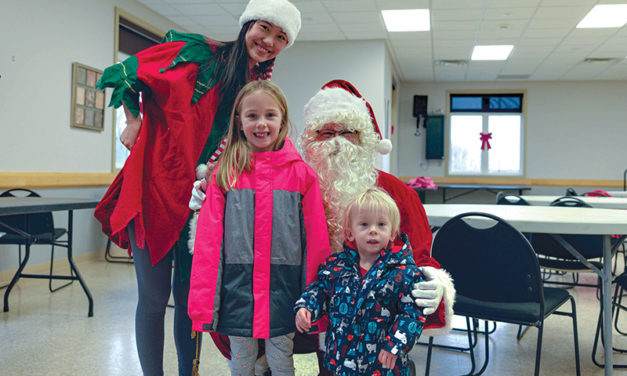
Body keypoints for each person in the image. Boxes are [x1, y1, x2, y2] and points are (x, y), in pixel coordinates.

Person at [93, 1, 302, 375]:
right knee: (154, 299)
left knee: (192, 303)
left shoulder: (258, 90)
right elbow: (124, 72)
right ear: (247, 24)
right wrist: (132, 119)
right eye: (265, 29)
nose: (269, 41)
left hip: (202, 207)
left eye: (280, 37)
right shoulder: (197, 52)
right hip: (152, 191)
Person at [187, 80, 330, 376]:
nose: (261, 123)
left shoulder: (301, 175)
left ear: (283, 120)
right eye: (252, 116)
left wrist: (315, 299)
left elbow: (315, 243)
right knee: (240, 362)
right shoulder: (226, 173)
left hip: (284, 291)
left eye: (270, 115)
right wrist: (203, 305)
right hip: (236, 292)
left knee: (281, 359)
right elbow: (208, 245)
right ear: (239, 121)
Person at [300, 80, 455, 337]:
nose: (338, 142)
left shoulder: (396, 193)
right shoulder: (297, 187)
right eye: (326, 133)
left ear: (364, 139)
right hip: (309, 311)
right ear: (311, 141)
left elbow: (418, 254)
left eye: (348, 132)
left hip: (376, 320)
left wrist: (432, 281)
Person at [295, 187, 426, 376]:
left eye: (381, 224)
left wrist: (395, 344)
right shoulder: (335, 266)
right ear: (350, 233)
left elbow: (412, 314)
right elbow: (320, 291)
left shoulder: (405, 272)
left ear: (392, 233)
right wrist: (306, 307)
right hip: (341, 361)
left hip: (383, 365)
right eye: (364, 224)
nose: (373, 230)